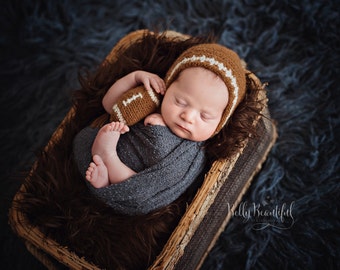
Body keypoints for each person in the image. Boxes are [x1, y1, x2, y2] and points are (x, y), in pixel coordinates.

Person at [73, 43, 247, 215]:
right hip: (107, 150)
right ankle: (104, 171)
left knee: (145, 190)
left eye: (205, 116)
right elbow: (109, 105)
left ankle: (108, 161)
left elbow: (166, 184)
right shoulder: (150, 101)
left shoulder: (193, 153)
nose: (188, 117)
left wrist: (160, 135)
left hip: (134, 182)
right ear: (168, 86)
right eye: (180, 102)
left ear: (220, 123)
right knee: (82, 139)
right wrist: (134, 78)